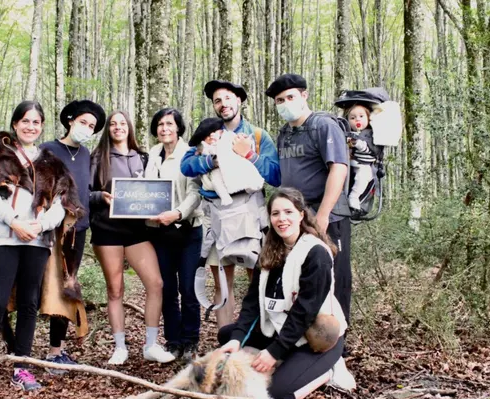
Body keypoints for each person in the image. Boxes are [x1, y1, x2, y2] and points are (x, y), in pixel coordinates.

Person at [0, 101, 68, 397]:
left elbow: (60, 204)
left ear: (42, 126)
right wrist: (14, 222)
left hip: (36, 240)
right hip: (3, 237)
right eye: (25, 121)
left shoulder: (51, 164)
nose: (31, 126)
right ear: (15, 124)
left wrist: (40, 226)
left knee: (29, 303)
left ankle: (22, 367)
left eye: (36, 122)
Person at [217, 188, 356, 399]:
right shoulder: (270, 250)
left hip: (315, 339)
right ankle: (289, 361)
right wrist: (238, 338)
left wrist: (274, 352)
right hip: (280, 330)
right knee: (227, 335)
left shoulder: (316, 253)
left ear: (301, 215)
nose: (282, 219)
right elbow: (252, 303)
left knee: (277, 395)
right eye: (275, 213)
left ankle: (328, 370)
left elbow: (304, 312)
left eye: (288, 212)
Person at [180, 80, 280, 328]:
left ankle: (258, 337)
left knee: (258, 280)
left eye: (227, 98)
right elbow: (186, 166)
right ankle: (225, 340)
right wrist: (212, 161)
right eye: (217, 100)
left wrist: (249, 155)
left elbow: (275, 175)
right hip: (217, 215)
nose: (223, 104)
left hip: (250, 214)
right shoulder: (206, 134)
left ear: (239, 100)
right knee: (222, 285)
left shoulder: (257, 135)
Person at [265, 73, 353, 324]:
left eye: (290, 97)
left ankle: (336, 336)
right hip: (296, 216)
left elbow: (339, 168)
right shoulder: (285, 134)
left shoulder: (323, 125)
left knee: (334, 276)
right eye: (280, 100)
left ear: (304, 95)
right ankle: (304, 334)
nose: (285, 104)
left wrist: (322, 216)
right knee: (301, 275)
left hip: (328, 216)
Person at [89, 110, 175, 365]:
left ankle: (151, 344)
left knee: (156, 283)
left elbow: (157, 189)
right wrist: (100, 197)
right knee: (115, 289)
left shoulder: (144, 157)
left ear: (129, 127)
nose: (118, 127)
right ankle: (120, 348)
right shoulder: (97, 158)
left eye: (122, 123)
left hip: (137, 232)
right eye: (113, 124)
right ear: (108, 129)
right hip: (107, 231)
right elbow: (84, 193)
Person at [39, 99, 106, 373]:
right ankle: (18, 350)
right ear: (70, 121)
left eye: (91, 126)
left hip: (78, 231)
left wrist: (99, 197)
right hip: (50, 230)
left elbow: (82, 192)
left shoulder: (87, 154)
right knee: (41, 287)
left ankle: (56, 351)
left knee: (68, 287)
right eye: (83, 122)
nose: (86, 128)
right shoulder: (48, 149)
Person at [144, 108, 203, 363]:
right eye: (160, 124)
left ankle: (190, 340)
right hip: (160, 232)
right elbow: (145, 189)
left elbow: (195, 192)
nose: (164, 128)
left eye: (169, 123)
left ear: (178, 127)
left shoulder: (189, 153)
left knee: (188, 288)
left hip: (188, 229)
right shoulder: (152, 155)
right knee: (167, 289)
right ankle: (173, 341)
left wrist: (178, 213)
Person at [344, 104, 377, 212]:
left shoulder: (371, 134)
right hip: (350, 162)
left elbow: (370, 149)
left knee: (364, 177)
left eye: (361, 116)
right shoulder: (348, 133)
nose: (357, 119)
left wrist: (357, 143)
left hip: (364, 164)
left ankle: (354, 196)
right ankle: (350, 197)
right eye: (352, 118)